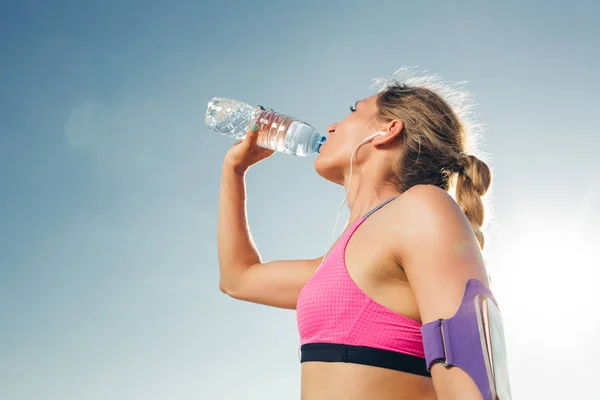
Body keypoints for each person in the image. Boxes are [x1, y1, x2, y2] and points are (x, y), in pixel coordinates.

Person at [217, 72, 506, 399]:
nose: (331, 127)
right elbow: (238, 279)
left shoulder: (421, 207)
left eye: (353, 111)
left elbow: (471, 366)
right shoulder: (332, 268)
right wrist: (234, 170)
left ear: (388, 130)